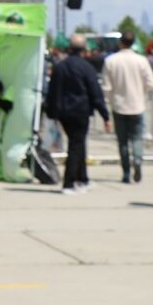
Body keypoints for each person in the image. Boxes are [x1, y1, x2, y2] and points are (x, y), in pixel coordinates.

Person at [44, 35, 110, 194]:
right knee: (76, 145)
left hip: (64, 113)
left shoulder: (60, 67)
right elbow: (95, 92)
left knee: (78, 144)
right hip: (80, 112)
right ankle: (69, 183)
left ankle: (83, 178)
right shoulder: (86, 68)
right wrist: (105, 115)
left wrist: (51, 113)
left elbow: (52, 91)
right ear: (84, 49)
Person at [100, 32, 153, 184]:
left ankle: (126, 172)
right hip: (137, 105)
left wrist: (109, 100)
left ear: (120, 43)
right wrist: (140, 92)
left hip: (119, 106)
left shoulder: (111, 61)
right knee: (137, 138)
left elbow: (106, 87)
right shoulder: (141, 60)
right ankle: (137, 159)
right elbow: (151, 83)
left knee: (122, 141)